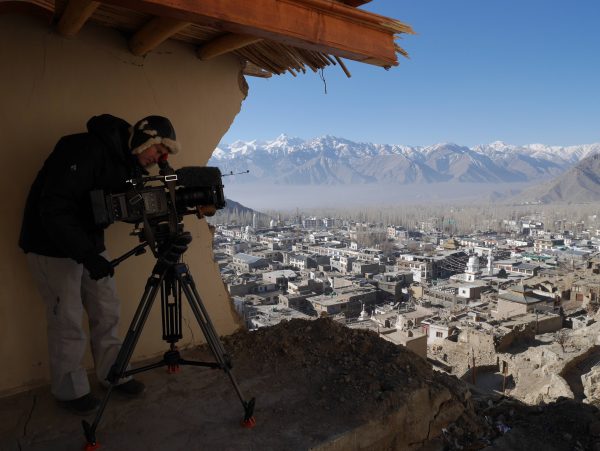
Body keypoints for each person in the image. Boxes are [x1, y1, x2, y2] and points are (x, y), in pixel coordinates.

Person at [19, 114, 180, 414]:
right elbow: (53, 208)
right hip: (49, 244)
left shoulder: (128, 163)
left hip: (87, 242)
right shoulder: (83, 149)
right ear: (145, 138)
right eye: (158, 150)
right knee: (67, 317)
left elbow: (118, 205)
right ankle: (70, 390)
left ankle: (113, 373)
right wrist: (88, 256)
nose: (159, 159)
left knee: (106, 308)